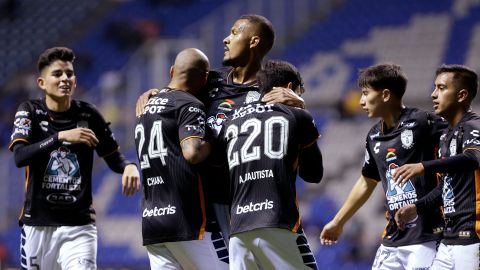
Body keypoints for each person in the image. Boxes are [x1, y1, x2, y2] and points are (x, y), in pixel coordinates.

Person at [135, 14, 305, 249]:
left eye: (235, 33)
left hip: (246, 200)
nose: (226, 39)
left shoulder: (270, 91)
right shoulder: (209, 81)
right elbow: (176, 97)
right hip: (202, 201)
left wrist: (299, 104)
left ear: (254, 42)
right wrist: (156, 93)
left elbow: (294, 139)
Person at [8, 47, 140, 270]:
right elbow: (20, 156)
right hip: (38, 225)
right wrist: (59, 137)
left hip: (79, 226)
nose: (64, 79)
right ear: (41, 83)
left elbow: (113, 157)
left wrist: (129, 167)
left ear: (75, 81)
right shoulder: (29, 110)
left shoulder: (89, 115)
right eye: (57, 74)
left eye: (69, 74)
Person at [319, 63, 446, 269]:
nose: (361, 101)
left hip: (427, 236)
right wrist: (338, 221)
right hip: (393, 239)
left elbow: (462, 153)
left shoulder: (423, 122)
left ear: (385, 95)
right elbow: (367, 180)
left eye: (366, 93)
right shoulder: (374, 136)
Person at [219, 59, 322, 269]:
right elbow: (313, 174)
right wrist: (303, 111)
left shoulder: (232, 121)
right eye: (300, 91)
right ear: (290, 88)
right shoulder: (297, 114)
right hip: (278, 224)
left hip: (238, 230)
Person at [135, 48, 228, 269]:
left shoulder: (146, 106)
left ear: (171, 71)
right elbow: (192, 153)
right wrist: (215, 139)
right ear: (204, 78)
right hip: (187, 219)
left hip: (153, 220)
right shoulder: (189, 104)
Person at [393, 64, 480, 269]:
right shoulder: (446, 136)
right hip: (450, 237)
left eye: (441, 88)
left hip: (473, 236)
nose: (433, 94)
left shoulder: (473, 126)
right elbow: (447, 186)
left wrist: (424, 166)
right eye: (434, 88)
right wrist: (417, 207)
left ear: (462, 95)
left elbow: (473, 158)